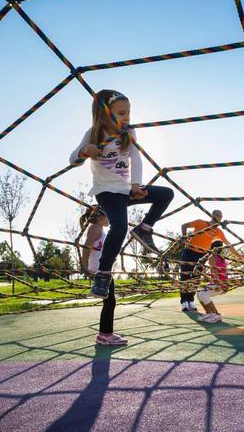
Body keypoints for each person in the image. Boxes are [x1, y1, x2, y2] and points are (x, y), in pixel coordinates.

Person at [70, 89, 174, 299]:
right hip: (107, 193)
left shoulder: (129, 132)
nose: (126, 117)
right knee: (119, 227)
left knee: (166, 194)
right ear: (104, 114)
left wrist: (136, 185)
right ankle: (103, 274)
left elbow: (136, 159)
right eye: (121, 113)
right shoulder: (93, 134)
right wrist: (85, 150)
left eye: (128, 113)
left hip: (126, 190)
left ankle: (144, 228)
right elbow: (73, 159)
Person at [80, 206, 127, 346]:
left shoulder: (99, 228)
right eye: (108, 216)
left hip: (103, 270)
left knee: (109, 302)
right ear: (100, 217)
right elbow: (86, 247)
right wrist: (84, 267)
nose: (110, 219)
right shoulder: (95, 228)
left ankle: (104, 335)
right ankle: (105, 335)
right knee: (110, 302)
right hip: (99, 271)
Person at [179, 210, 243, 311]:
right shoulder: (200, 222)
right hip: (189, 251)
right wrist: (184, 237)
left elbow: (228, 244)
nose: (219, 217)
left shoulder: (218, 231)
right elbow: (184, 225)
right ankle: (184, 301)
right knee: (185, 276)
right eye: (217, 215)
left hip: (201, 256)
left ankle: (190, 301)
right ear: (212, 215)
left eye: (221, 216)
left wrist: (238, 256)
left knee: (195, 278)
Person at [196, 240, 228, 324]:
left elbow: (215, 272)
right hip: (222, 284)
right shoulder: (221, 258)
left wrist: (218, 285)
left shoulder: (212, 258)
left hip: (219, 284)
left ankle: (216, 315)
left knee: (203, 294)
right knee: (199, 292)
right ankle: (209, 313)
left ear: (212, 248)